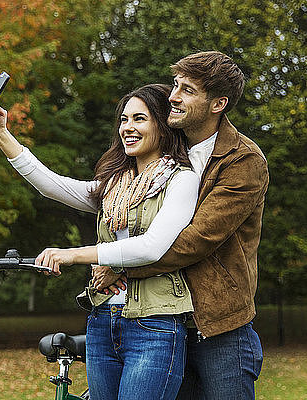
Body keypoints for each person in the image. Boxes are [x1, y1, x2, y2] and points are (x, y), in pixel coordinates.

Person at [0, 83, 200, 400]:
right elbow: (51, 186)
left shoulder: (182, 179)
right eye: (123, 120)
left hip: (154, 324)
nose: (128, 128)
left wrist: (72, 255)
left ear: (163, 127)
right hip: (102, 320)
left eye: (139, 119)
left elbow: (152, 247)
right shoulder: (114, 186)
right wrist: (0, 133)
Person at [93, 51, 269, 399]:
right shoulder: (168, 152)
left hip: (218, 328)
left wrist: (122, 270)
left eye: (187, 89)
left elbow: (196, 241)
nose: (173, 96)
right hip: (161, 323)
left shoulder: (243, 161)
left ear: (218, 103)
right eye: (175, 84)